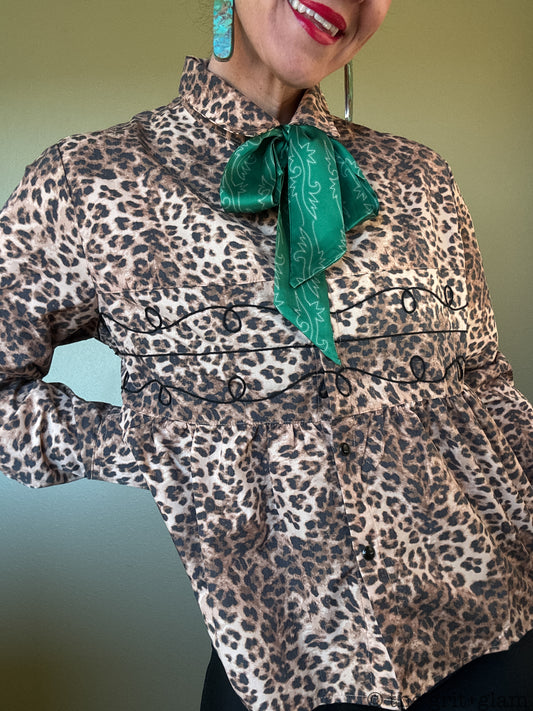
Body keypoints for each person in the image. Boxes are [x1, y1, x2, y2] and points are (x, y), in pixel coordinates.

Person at [0, 1, 531, 710]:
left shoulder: (421, 178)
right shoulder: (90, 182)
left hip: (495, 632)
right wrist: (158, 446)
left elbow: (485, 385)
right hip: (285, 672)